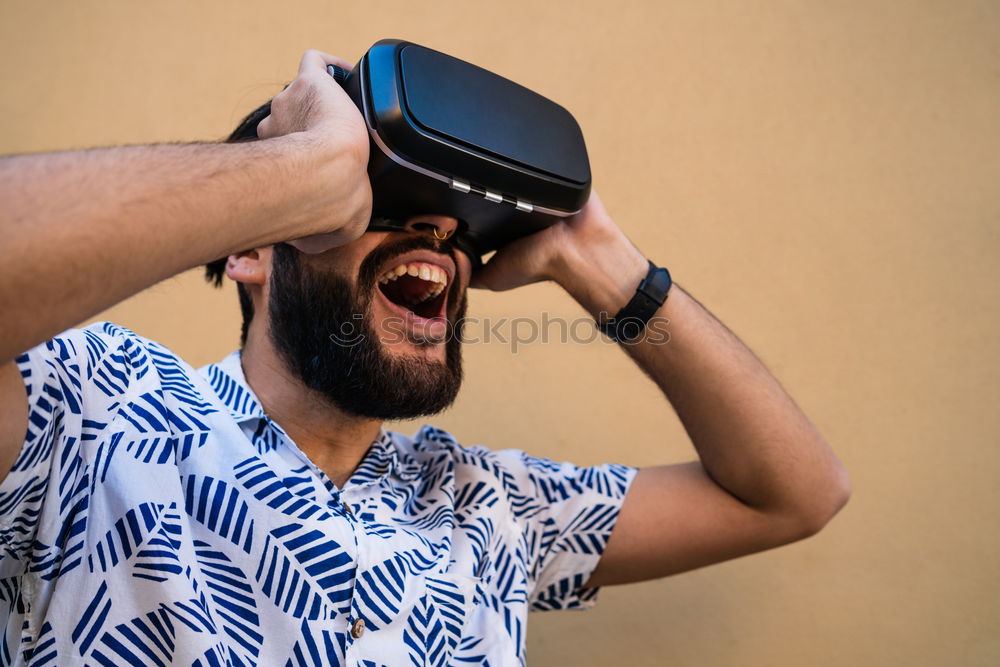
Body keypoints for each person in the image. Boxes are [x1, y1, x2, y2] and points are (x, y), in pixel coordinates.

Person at [0, 50, 850, 666]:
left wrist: (604, 266)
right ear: (252, 249)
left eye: (459, 229)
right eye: (390, 200)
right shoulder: (92, 409)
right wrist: (314, 168)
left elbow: (795, 494)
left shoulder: (493, 509)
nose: (438, 235)